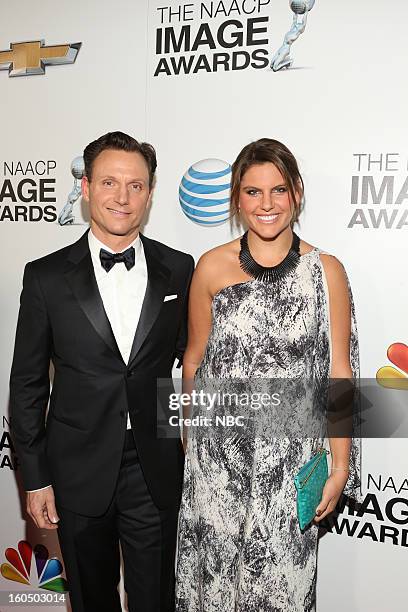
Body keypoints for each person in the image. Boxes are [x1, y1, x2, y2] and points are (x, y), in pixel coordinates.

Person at [9, 131, 194, 612]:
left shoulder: (179, 269)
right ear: (87, 187)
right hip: (75, 469)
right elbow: (27, 385)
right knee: (91, 600)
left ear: (150, 194)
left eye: (136, 186)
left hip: (152, 467)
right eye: (110, 182)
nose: (122, 197)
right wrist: (35, 478)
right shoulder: (45, 276)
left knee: (156, 599)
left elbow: (186, 359)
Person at [175, 138, 362, 611]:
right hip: (216, 465)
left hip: (290, 466)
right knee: (212, 587)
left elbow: (339, 374)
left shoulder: (327, 272)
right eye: (253, 192)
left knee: (281, 590)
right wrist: (190, 435)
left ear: (297, 192)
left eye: (278, 190)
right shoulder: (211, 266)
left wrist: (340, 467)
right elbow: (194, 359)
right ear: (237, 198)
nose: (267, 204)